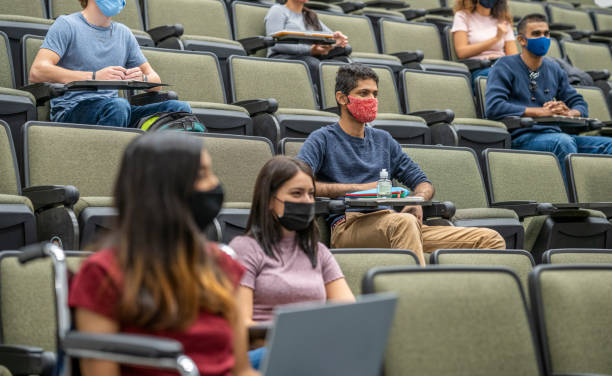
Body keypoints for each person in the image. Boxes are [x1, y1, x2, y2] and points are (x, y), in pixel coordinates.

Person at [69, 132, 258, 376]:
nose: (215, 184)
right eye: (202, 174)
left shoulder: (221, 263)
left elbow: (241, 370)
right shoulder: (103, 272)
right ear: (163, 190)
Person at [296, 64, 506, 266]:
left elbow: (423, 182)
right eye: (363, 94)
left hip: (395, 223)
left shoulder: (383, 140)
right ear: (342, 98)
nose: (371, 100)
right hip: (349, 226)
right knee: (403, 223)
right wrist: (363, 189)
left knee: (490, 239)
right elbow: (300, 183)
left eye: (375, 94)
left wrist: (417, 200)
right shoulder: (322, 139)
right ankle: (418, 297)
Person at [229, 155, 354, 369]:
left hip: (312, 352)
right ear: (269, 200)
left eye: (311, 194)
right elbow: (241, 325)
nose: (307, 201)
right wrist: (292, 335)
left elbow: (348, 312)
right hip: (263, 354)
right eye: (297, 193)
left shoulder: (319, 252)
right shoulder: (245, 249)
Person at [29, 0, 191, 127]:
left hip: (116, 110)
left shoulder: (124, 33)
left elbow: (155, 81)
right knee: (118, 106)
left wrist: (140, 78)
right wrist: (94, 76)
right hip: (72, 110)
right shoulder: (67, 25)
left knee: (180, 109)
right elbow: (37, 72)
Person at [485, 13, 612, 175]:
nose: (543, 38)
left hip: (555, 135)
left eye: (546, 34)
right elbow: (494, 107)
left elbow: (580, 103)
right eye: (536, 34)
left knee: (609, 145)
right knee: (563, 143)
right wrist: (541, 112)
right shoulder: (504, 65)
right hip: (522, 137)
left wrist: (569, 112)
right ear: (522, 40)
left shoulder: (554, 69)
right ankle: (573, 198)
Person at [265, 0, 351, 82]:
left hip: (309, 57)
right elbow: (274, 44)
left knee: (345, 57)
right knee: (313, 63)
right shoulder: (278, 10)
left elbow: (330, 36)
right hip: (282, 57)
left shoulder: (310, 15)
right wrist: (310, 50)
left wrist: (337, 40)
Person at [451, 0, 517, 84]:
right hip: (478, 69)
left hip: (501, 66)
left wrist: (498, 60)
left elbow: (514, 56)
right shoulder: (462, 16)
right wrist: (495, 39)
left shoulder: (503, 20)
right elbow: (461, 52)